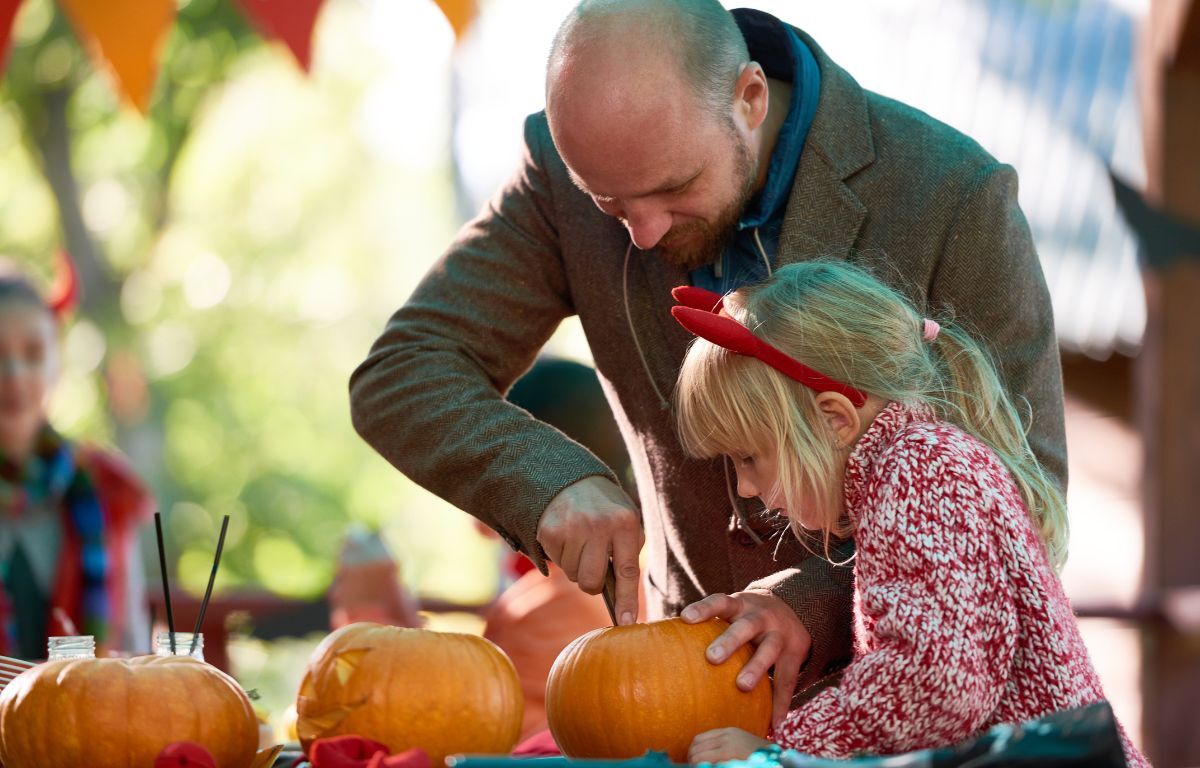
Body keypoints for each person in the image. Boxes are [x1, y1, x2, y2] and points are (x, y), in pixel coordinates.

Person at [349, 0, 1067, 723]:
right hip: (674, 704)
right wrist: (548, 482)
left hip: (905, 725)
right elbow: (404, 372)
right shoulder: (560, 170)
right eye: (611, 206)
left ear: (750, 98)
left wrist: (808, 606)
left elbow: (1021, 502)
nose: (646, 233)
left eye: (673, 190)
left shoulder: (951, 192)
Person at [671, 261, 1146, 765]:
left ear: (834, 419)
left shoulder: (920, 472)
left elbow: (939, 683)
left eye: (749, 457)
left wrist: (783, 751)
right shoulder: (911, 467)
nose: (744, 487)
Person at [0, 262, 154, 658]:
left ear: (56, 365)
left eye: (33, 354)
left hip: (84, 713)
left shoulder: (107, 489)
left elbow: (133, 644)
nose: (14, 375)